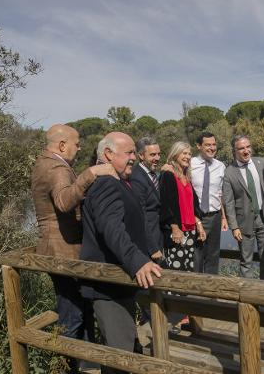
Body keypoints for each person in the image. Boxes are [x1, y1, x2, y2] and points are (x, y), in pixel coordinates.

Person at [31, 124, 117, 373]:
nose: (79, 148)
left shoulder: (44, 163)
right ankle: (64, 369)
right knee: (73, 314)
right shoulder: (56, 168)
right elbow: (64, 201)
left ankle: (82, 363)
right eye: (77, 143)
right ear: (61, 145)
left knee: (76, 309)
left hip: (55, 248)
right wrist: (91, 173)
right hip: (62, 251)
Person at [79, 132, 162, 374]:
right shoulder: (105, 183)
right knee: (120, 357)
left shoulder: (119, 182)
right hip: (108, 287)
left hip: (119, 283)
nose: (134, 158)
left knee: (126, 350)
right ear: (108, 154)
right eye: (128, 153)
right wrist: (137, 262)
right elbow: (111, 228)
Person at [222, 135, 264, 279]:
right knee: (246, 261)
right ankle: (247, 297)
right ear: (234, 151)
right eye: (241, 148)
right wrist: (234, 227)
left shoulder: (263, 163)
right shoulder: (229, 172)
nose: (246, 150)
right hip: (243, 223)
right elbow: (228, 202)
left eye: (248, 147)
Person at [159, 141, 207, 272]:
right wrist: (174, 228)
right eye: (184, 153)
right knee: (175, 269)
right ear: (175, 155)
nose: (188, 156)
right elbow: (165, 204)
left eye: (190, 154)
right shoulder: (168, 174)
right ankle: (172, 294)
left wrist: (199, 225)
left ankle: (184, 294)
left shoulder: (187, 176)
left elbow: (193, 204)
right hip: (177, 231)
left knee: (188, 268)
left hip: (190, 230)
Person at [190, 132, 227, 275]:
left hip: (215, 216)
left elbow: (220, 194)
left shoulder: (221, 166)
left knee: (213, 256)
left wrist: (223, 217)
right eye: (208, 145)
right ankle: (195, 292)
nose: (212, 148)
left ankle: (211, 293)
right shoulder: (190, 164)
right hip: (196, 217)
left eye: (214, 145)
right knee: (196, 256)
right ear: (199, 146)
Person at [130, 137, 164, 264]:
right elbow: (140, 215)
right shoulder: (136, 178)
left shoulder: (153, 174)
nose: (157, 158)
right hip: (147, 244)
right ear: (141, 156)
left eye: (159, 154)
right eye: (153, 155)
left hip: (157, 236)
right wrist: (153, 248)